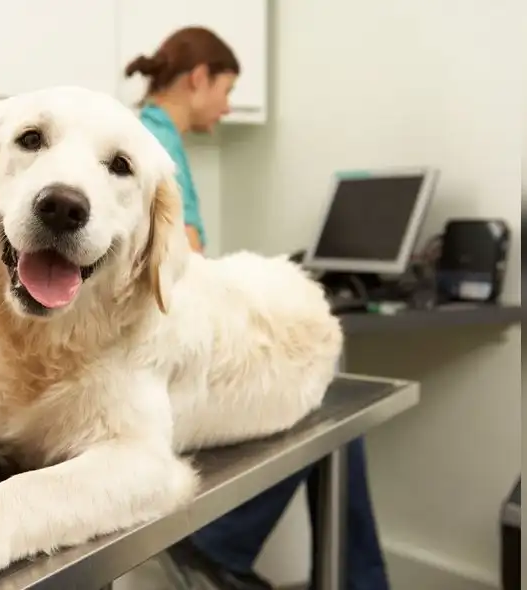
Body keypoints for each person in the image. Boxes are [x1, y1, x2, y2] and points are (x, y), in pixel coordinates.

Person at [125, 27, 391, 590]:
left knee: (323, 392)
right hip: (156, 368)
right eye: (226, 90)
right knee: (322, 389)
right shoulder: (155, 146)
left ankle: (248, 551)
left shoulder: (144, 135)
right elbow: (183, 269)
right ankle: (224, 545)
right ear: (199, 78)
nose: (227, 107)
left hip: (152, 354)